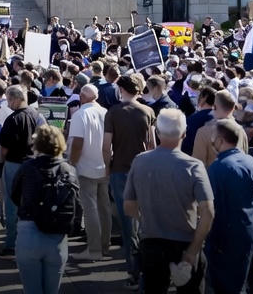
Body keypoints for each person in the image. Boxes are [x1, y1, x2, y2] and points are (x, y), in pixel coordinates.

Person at [124, 108, 214, 294]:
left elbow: (129, 206)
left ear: (157, 132)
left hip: (152, 241)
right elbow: (208, 212)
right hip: (185, 243)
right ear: (184, 134)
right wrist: (193, 249)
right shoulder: (193, 166)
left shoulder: (140, 161)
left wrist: (145, 219)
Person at [11, 125, 79, 294]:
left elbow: (14, 195)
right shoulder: (69, 170)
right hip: (57, 236)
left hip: (29, 231)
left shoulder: (27, 167)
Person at [103, 73, 155, 285]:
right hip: (144, 170)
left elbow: (106, 147)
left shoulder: (113, 112)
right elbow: (152, 144)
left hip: (120, 171)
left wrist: (107, 169)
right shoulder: (148, 111)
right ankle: (146, 268)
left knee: (127, 223)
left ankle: (134, 271)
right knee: (145, 220)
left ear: (121, 90)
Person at [205, 118, 253, 294]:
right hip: (249, 230)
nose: (212, 141)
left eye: (214, 137)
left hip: (225, 238)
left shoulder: (218, 167)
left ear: (221, 140)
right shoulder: (250, 161)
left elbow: (211, 206)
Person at [67, 84, 110, 261]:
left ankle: (94, 249)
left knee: (91, 209)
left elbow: (77, 142)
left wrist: (72, 162)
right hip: (104, 166)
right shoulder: (106, 112)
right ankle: (104, 247)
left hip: (86, 166)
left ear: (82, 98)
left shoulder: (80, 114)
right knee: (103, 208)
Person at [0, 84, 38, 257]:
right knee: (29, 203)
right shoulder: (35, 115)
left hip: (14, 164)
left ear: (15, 99)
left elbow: (4, 149)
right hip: (32, 163)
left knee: (12, 205)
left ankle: (11, 245)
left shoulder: (13, 119)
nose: (7, 103)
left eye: (8, 100)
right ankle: (28, 240)